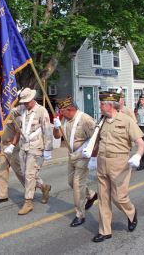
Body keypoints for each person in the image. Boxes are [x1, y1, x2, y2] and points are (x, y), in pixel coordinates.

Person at [90, 91, 144, 243]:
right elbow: (96, 141)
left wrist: (138, 156)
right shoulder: (101, 121)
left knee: (119, 197)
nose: (100, 106)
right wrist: (92, 157)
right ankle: (104, 231)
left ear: (110, 105)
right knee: (103, 197)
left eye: (102, 104)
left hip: (119, 164)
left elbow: (140, 143)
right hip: (102, 162)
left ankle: (131, 212)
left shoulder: (126, 120)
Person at [52, 96, 98, 227]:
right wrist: (56, 126)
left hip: (83, 156)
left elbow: (96, 138)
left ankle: (80, 215)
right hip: (71, 155)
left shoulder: (85, 120)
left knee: (77, 184)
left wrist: (93, 158)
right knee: (71, 182)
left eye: (62, 111)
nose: (60, 113)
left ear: (70, 109)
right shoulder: (64, 119)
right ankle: (92, 195)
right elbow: (57, 136)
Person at [11, 88, 52, 215]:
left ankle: (28, 202)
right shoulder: (22, 109)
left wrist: (48, 149)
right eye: (23, 102)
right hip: (24, 146)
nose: (25, 104)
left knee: (29, 174)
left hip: (36, 147)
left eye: (27, 101)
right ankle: (44, 187)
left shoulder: (41, 111)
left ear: (32, 99)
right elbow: (11, 112)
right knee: (25, 173)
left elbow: (47, 130)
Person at [0, 118, 25, 204]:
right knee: (1, 171)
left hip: (13, 147)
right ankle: (2, 196)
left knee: (19, 171)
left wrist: (13, 145)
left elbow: (18, 132)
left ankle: (35, 187)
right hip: (3, 146)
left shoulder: (15, 117)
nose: (2, 111)